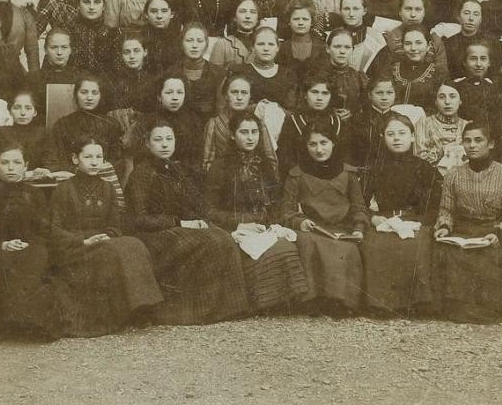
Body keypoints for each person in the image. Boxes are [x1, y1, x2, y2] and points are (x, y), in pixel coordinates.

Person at [126, 120, 251, 324]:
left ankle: (229, 308)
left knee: (222, 236)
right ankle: (200, 310)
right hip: (152, 235)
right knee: (210, 242)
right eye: (158, 140)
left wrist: (202, 220)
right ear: (147, 143)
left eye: (169, 139)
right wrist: (180, 222)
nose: (164, 144)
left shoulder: (177, 170)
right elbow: (139, 219)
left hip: (176, 229)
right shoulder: (142, 173)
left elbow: (198, 204)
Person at [50, 137, 164, 336]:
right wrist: (82, 240)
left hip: (103, 242)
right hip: (77, 248)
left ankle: (143, 307)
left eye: (99, 157)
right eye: (88, 157)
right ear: (75, 159)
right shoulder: (64, 189)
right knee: (114, 251)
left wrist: (107, 235)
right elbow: (54, 229)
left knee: (134, 244)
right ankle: (131, 310)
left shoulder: (108, 188)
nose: (94, 162)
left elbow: (115, 225)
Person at [205, 112, 309, 312]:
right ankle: (265, 303)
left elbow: (276, 203)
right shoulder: (220, 167)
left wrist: (271, 223)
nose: (250, 137)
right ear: (232, 135)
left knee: (287, 246)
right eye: (244, 132)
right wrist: (239, 223)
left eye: (254, 132)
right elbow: (209, 210)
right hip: (234, 227)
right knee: (278, 251)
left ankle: (284, 302)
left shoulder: (265, 164)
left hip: (263, 226)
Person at [0, 145, 61, 340]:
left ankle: (28, 323)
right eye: (5, 163)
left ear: (25, 166)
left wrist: (29, 244)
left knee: (33, 262)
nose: (11, 167)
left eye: (17, 163)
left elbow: (44, 230)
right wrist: (2, 244)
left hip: (31, 247)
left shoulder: (35, 194)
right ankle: (2, 324)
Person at [434, 122, 502, 323]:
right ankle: (456, 307)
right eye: (467, 141)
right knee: (449, 252)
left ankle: (485, 310)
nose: (472, 145)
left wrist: (499, 233)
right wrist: (444, 227)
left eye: (478, 140)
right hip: (462, 230)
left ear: (491, 144)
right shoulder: (453, 174)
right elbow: (446, 210)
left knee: (486, 255)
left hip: (492, 230)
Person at [281, 120, 368, 313]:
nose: (319, 149)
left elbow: (359, 207)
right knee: (308, 244)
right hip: (313, 229)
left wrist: (358, 228)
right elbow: (286, 210)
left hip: (342, 229)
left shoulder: (347, 172)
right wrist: (300, 222)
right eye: (312, 144)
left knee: (348, 249)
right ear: (305, 146)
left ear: (333, 143)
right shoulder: (297, 174)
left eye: (324, 143)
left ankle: (343, 302)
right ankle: (315, 300)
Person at [361, 114, 438, 314]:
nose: (396, 138)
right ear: (383, 138)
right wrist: (372, 217)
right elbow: (359, 202)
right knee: (375, 245)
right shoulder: (374, 168)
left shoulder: (424, 168)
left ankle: (417, 304)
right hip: (384, 220)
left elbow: (435, 204)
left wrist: (420, 221)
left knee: (417, 244)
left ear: (412, 137)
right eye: (391, 134)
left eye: (402, 133)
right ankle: (381, 304)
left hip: (415, 220)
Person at [43, 75, 123, 175]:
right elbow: (52, 161)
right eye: (84, 92)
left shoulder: (111, 125)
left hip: (103, 178)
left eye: (94, 93)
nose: (89, 97)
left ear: (101, 96)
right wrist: (78, 171)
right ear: (76, 95)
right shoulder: (62, 125)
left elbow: (117, 161)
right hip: (70, 179)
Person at [202, 75, 278, 173]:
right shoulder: (215, 123)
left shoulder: (257, 122)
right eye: (234, 92)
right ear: (226, 95)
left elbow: (271, 159)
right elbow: (208, 163)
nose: (239, 97)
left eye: (244, 93)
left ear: (250, 96)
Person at [277, 73, 347, 177]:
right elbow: (286, 157)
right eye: (314, 92)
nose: (319, 98)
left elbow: (343, 156)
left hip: (334, 178)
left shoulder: (337, 122)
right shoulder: (294, 121)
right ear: (305, 95)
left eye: (325, 93)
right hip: (301, 178)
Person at [368, 0, 448, 76]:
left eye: (418, 9)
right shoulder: (389, 38)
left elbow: (442, 72)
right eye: (408, 9)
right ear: (400, 12)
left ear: (424, 12)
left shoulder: (434, 39)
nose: (413, 15)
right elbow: (384, 74)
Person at [348, 73, 399, 193]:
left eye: (389, 93)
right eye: (379, 93)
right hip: (362, 177)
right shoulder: (358, 120)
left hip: (391, 176)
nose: (384, 97)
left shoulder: (400, 121)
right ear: (369, 95)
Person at [228, 27, 298, 111]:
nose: (266, 49)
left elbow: (292, 109)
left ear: (278, 47)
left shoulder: (288, 74)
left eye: (271, 44)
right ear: (252, 47)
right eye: (261, 44)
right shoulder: (239, 72)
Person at [0, 91, 48, 175]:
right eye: (17, 108)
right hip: (4, 180)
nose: (23, 113)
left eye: (28, 108)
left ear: (35, 112)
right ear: (10, 111)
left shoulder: (43, 133)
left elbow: (51, 162)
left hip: (36, 181)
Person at [172, 22, 225, 119]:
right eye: (189, 40)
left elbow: (220, 110)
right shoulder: (172, 72)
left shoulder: (218, 73)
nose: (194, 45)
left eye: (200, 41)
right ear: (181, 43)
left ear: (206, 44)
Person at [314, 28, 369, 119]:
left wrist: (352, 112)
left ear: (352, 50)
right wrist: (328, 112)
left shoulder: (359, 77)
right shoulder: (315, 75)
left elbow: (366, 105)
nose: (342, 51)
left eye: (347, 47)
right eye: (337, 46)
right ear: (328, 48)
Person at [389, 24, 445, 111]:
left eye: (419, 43)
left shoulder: (438, 73)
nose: (413, 48)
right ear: (402, 46)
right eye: (408, 43)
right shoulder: (392, 69)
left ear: (428, 46)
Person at [26, 28, 83, 111]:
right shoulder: (33, 79)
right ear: (45, 50)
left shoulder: (81, 77)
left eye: (64, 47)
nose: (59, 52)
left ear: (71, 50)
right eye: (54, 47)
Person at [102, 33, 157, 119]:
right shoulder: (113, 80)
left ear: (145, 52)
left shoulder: (153, 80)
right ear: (121, 55)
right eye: (126, 52)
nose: (132, 56)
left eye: (136, 51)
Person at [415, 82, 468, 170]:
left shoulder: (467, 125)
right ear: (436, 101)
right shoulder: (424, 123)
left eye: (452, 96)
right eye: (442, 97)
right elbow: (420, 157)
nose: (447, 102)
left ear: (460, 101)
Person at [67, 0, 115, 76]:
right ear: (78, 5)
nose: (92, 7)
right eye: (86, 2)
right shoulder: (69, 33)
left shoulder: (112, 33)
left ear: (104, 6)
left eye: (97, 2)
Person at [443, 0, 497, 80]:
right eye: (466, 13)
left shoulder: (492, 43)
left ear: (481, 19)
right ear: (458, 16)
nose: (471, 18)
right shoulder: (448, 44)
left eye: (476, 14)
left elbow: (496, 74)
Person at [278, 0, 327, 82]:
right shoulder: (282, 48)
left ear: (311, 21)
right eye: (296, 19)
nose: (300, 23)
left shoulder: (321, 47)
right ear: (289, 21)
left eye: (305, 19)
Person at [208, 0, 260, 67]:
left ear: (257, 19)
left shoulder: (265, 44)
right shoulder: (223, 45)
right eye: (242, 11)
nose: (248, 16)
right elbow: (213, 73)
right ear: (234, 17)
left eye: (253, 12)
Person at [451, 42, 496, 123]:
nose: (478, 64)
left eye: (483, 59)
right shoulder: (455, 87)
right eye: (473, 59)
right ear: (464, 62)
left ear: (489, 62)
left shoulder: (494, 88)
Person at [142, 0, 182, 78]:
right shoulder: (140, 36)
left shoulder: (181, 36)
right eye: (154, 11)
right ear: (146, 14)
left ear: (172, 14)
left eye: (164, 11)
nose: (159, 16)